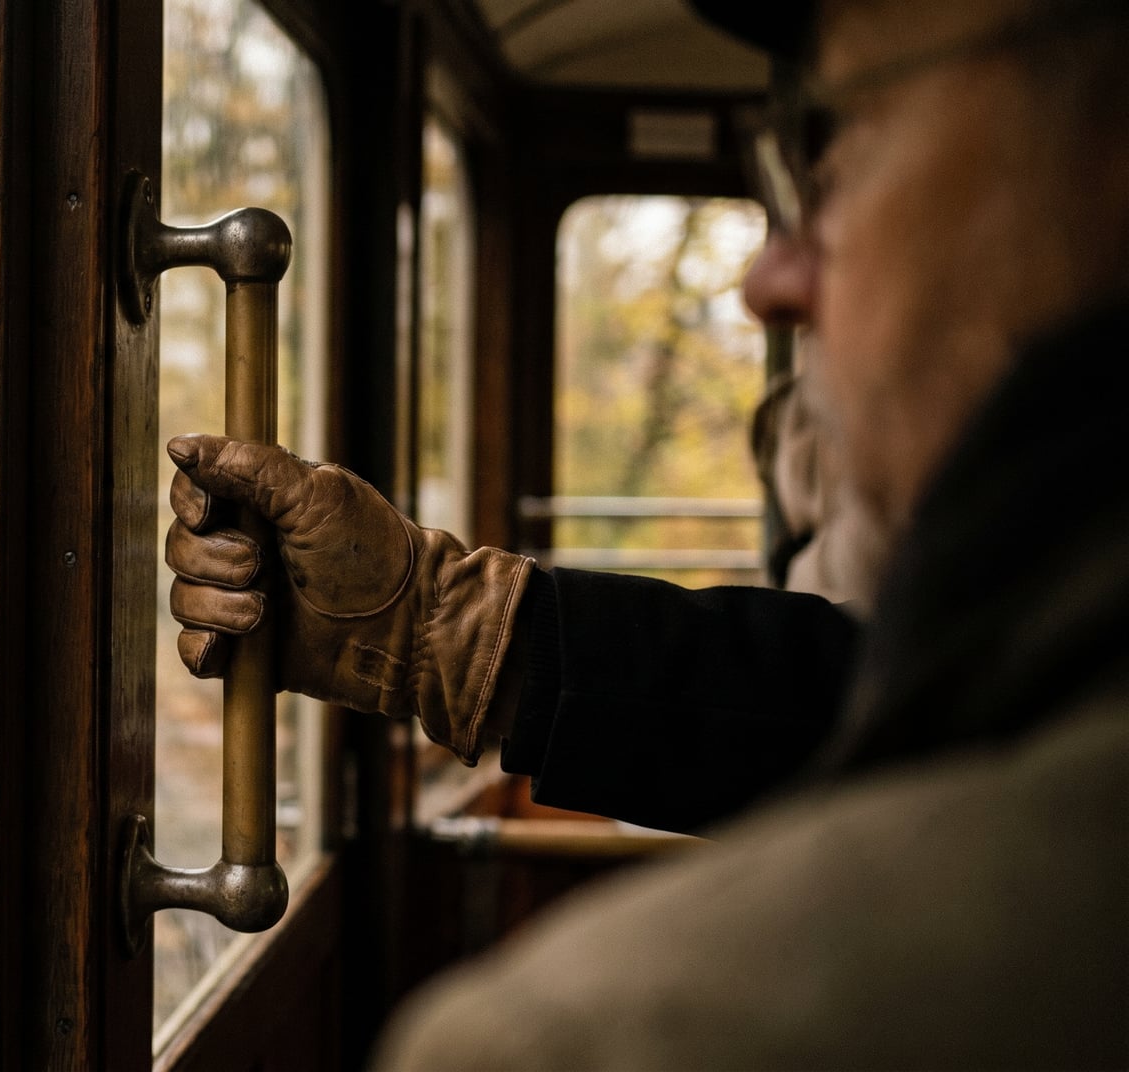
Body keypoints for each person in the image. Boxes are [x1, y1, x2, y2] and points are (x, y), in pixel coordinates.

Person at [164, 0, 1128, 1064]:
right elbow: (872, 708)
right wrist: (428, 619)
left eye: (841, 149)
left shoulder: (571, 1042)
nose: (772, 283)